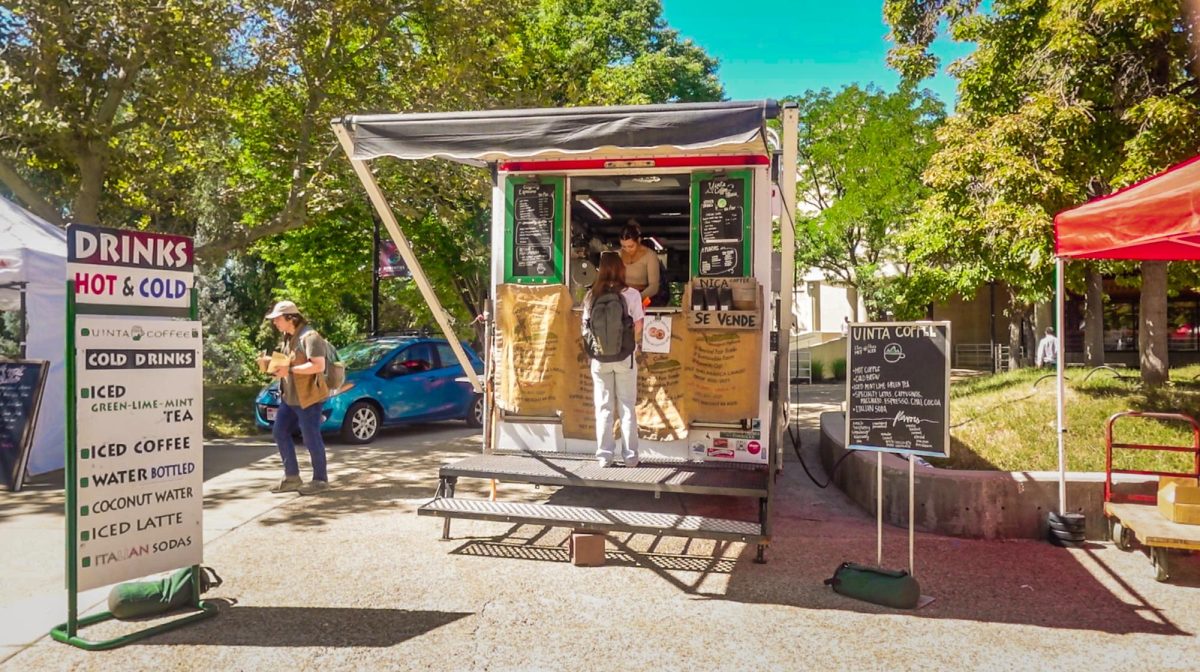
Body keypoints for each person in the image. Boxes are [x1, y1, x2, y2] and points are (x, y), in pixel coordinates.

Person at [257, 300, 331, 494]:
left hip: (309, 398)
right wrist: (270, 365)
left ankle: (320, 480)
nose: (275, 323)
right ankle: (292, 477)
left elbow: (318, 366)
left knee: (310, 437)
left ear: (291, 318)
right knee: (279, 432)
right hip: (290, 397)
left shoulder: (310, 336)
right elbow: (285, 365)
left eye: (278, 319)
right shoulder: (287, 337)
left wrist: (287, 369)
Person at [583, 252, 644, 468]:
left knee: (603, 407)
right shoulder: (632, 295)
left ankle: (604, 456)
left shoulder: (591, 296)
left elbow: (586, 329)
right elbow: (638, 326)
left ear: (600, 270)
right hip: (624, 358)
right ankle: (630, 457)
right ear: (621, 269)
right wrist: (629, 345)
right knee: (627, 406)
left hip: (599, 360)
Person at [618, 220, 663, 306]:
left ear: (638, 240)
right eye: (623, 246)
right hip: (619, 300)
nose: (627, 250)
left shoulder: (650, 256)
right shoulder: (618, 255)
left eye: (631, 246)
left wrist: (636, 298)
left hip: (642, 299)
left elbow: (654, 287)